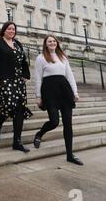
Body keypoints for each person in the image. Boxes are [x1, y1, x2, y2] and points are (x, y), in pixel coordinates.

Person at [33, 35, 83, 165]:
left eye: (54, 41)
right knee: (54, 121)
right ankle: (40, 133)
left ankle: (70, 154)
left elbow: (70, 75)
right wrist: (38, 96)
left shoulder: (63, 57)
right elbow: (38, 78)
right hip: (49, 91)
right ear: (45, 43)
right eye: (49, 41)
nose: (52, 43)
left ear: (57, 43)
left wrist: (75, 92)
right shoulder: (40, 58)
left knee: (68, 124)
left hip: (64, 90)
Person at [0, 21, 32, 153]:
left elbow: (24, 62)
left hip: (18, 81)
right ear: (4, 30)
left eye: (13, 29)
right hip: (4, 80)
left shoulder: (17, 44)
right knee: (8, 106)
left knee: (19, 109)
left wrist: (25, 75)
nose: (11, 31)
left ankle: (17, 141)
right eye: (9, 29)